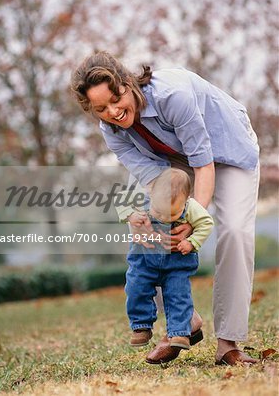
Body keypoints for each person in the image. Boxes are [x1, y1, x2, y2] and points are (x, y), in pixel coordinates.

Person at [71, 51, 260, 366]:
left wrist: (193, 218)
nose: (114, 112)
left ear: (127, 82)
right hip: (171, 164)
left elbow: (203, 162)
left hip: (227, 150)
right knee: (145, 229)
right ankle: (184, 321)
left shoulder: (173, 95)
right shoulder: (111, 131)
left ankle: (228, 344)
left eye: (116, 99)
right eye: (101, 108)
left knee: (236, 232)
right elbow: (153, 180)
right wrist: (153, 221)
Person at [115, 168, 214, 360]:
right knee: (136, 288)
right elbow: (119, 198)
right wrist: (130, 216)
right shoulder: (142, 197)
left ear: (186, 200)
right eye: (159, 212)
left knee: (178, 296)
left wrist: (192, 242)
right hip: (144, 260)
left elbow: (206, 223)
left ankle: (179, 333)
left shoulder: (192, 208)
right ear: (151, 194)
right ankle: (141, 326)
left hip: (176, 264)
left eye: (174, 214)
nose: (165, 218)